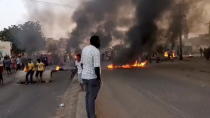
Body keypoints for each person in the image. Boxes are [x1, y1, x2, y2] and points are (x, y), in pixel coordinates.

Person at [81, 35, 101, 118]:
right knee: (92, 97)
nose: (100, 42)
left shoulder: (84, 49)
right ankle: (92, 116)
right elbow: (96, 67)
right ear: (96, 42)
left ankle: (89, 115)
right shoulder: (96, 51)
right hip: (92, 77)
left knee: (88, 96)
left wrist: (85, 71)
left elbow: (82, 64)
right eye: (99, 41)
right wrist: (99, 78)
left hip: (84, 77)